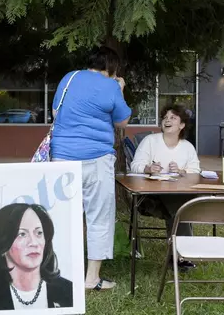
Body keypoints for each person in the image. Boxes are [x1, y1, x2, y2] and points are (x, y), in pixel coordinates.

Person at [50, 46, 131, 291]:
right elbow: (122, 121)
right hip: (96, 158)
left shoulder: (69, 77)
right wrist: (120, 89)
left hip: (62, 157)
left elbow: (56, 112)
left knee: (62, 217)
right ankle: (91, 278)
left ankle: (59, 272)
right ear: (112, 68)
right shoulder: (111, 86)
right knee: (99, 217)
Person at [130, 104, 201, 269]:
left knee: (179, 204)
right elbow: (135, 165)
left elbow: (196, 171)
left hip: (178, 196)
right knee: (181, 207)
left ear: (182, 125)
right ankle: (183, 256)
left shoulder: (187, 147)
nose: (167, 120)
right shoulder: (150, 141)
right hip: (149, 198)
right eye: (165, 118)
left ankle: (179, 256)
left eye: (173, 118)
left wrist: (182, 171)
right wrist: (148, 169)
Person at [0, 203, 73, 311]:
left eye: (39, 233)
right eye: (22, 234)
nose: (34, 242)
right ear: (2, 243)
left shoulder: (69, 290)